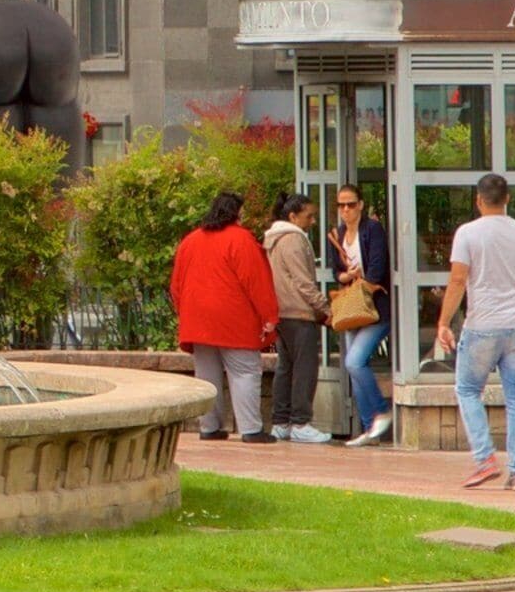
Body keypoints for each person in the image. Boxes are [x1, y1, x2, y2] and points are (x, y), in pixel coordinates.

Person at [433, 172, 515, 491]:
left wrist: (444, 322)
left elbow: (458, 280)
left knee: (467, 389)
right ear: (507, 199)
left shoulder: (468, 234)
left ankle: (485, 458)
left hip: (483, 324)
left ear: (478, 200)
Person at [168, 190, 280, 444]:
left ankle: (209, 426)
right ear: (236, 213)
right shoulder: (241, 240)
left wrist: (184, 312)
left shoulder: (190, 241)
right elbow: (257, 282)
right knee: (244, 372)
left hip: (197, 319)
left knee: (207, 374)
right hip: (233, 318)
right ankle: (250, 429)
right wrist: (269, 316)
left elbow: (176, 285)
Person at [327, 182, 394, 445]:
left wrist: (360, 279)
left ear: (361, 205)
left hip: (375, 307)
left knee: (354, 362)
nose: (346, 210)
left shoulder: (372, 229)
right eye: (341, 205)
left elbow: (378, 270)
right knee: (354, 369)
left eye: (351, 204)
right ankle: (370, 430)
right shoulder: (338, 233)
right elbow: (337, 273)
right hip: (352, 308)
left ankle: (381, 412)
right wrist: (348, 276)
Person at [262, 192, 330, 443]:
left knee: (285, 368)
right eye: (308, 216)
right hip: (299, 311)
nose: (313, 221)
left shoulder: (274, 238)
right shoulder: (293, 239)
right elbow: (303, 281)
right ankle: (300, 422)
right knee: (304, 368)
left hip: (282, 311)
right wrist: (325, 308)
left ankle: (281, 422)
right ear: (292, 216)